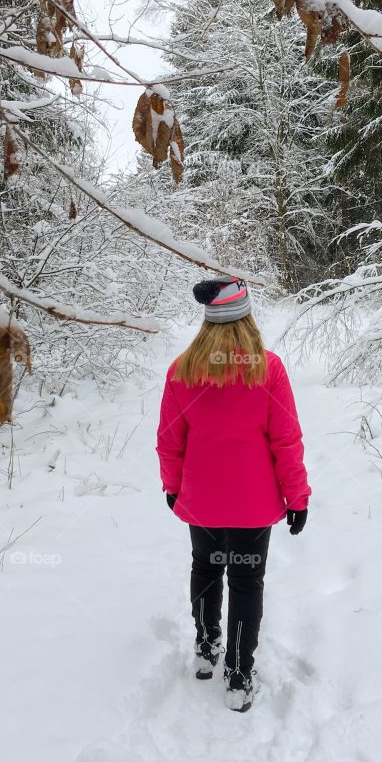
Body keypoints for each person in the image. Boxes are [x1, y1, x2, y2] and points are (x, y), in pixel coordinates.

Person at [156, 276, 311, 712]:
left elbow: (169, 440)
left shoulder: (181, 371)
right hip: (253, 505)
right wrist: (296, 498)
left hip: (201, 501)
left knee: (206, 569)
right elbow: (286, 441)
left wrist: (173, 487)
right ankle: (239, 675)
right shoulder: (269, 369)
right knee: (245, 580)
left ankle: (206, 649)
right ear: (247, 320)